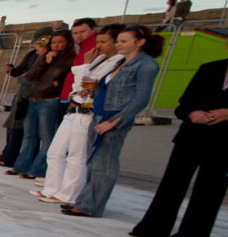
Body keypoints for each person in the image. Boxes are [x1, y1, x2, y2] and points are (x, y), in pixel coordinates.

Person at [130, 23, 228, 237]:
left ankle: (193, 236)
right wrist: (192, 112)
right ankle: (155, 227)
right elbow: (183, 104)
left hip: (227, 140)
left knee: (210, 190)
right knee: (172, 183)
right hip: (192, 135)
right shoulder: (210, 68)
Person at [61, 26, 160, 218]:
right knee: (94, 161)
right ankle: (84, 201)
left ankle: (91, 206)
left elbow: (141, 98)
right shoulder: (120, 62)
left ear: (140, 42)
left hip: (113, 118)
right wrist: (90, 91)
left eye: (124, 41)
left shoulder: (146, 65)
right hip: (100, 113)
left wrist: (115, 121)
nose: (119, 45)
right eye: (118, 41)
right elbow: (107, 87)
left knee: (104, 163)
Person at [37, 25, 124, 204]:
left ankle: (69, 193)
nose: (99, 45)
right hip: (74, 109)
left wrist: (85, 69)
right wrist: (86, 65)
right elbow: (79, 86)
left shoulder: (117, 62)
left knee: (76, 155)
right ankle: (52, 188)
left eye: (104, 42)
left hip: (87, 111)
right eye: (98, 41)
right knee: (55, 151)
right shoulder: (98, 59)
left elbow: (89, 85)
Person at [9, 30, 76, 180]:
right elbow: (30, 75)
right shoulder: (45, 56)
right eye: (54, 42)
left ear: (68, 43)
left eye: (61, 42)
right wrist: (45, 61)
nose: (56, 45)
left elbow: (61, 78)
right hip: (34, 97)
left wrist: (55, 81)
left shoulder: (70, 58)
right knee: (29, 135)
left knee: (46, 136)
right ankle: (21, 166)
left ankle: (38, 169)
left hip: (50, 99)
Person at [0, 33, 49, 166]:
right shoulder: (31, 55)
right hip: (22, 95)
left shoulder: (46, 59)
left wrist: (24, 77)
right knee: (13, 126)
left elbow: (32, 78)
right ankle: (8, 155)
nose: (37, 50)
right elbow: (20, 72)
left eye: (39, 47)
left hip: (32, 96)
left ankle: (18, 158)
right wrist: (12, 70)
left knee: (27, 131)